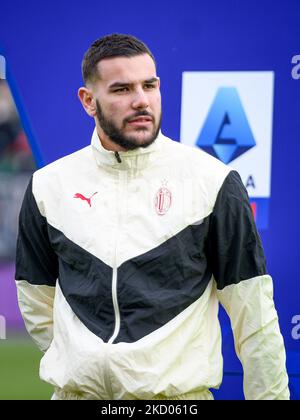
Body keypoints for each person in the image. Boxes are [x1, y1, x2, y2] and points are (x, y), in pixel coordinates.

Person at [15, 33, 290, 400]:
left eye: (150, 85)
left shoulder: (213, 181)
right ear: (88, 101)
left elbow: (253, 314)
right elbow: (37, 302)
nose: (141, 100)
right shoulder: (48, 186)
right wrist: (86, 367)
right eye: (122, 89)